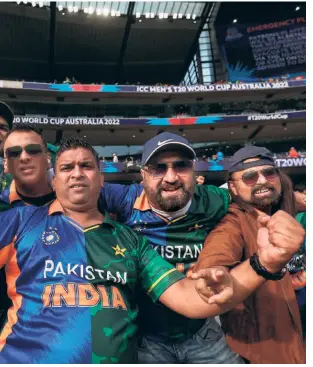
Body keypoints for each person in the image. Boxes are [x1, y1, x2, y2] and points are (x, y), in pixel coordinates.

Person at [0, 137, 237, 363]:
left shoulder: (130, 240)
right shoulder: (19, 221)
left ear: (102, 179)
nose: (77, 173)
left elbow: (188, 298)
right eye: (66, 167)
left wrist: (261, 265)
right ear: (53, 181)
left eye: (86, 166)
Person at [99, 132, 242, 363]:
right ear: (143, 175)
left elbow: (257, 196)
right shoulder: (124, 200)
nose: (171, 177)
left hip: (202, 331)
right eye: (159, 168)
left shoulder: (214, 200)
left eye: (181, 166)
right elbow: (66, 188)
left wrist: (296, 200)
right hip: (146, 337)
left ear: (194, 172)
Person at [193, 146, 306, 363]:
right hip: (265, 349)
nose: (262, 180)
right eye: (250, 176)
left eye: (269, 173)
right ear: (233, 188)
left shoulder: (284, 209)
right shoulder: (234, 220)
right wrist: (213, 270)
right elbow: (220, 247)